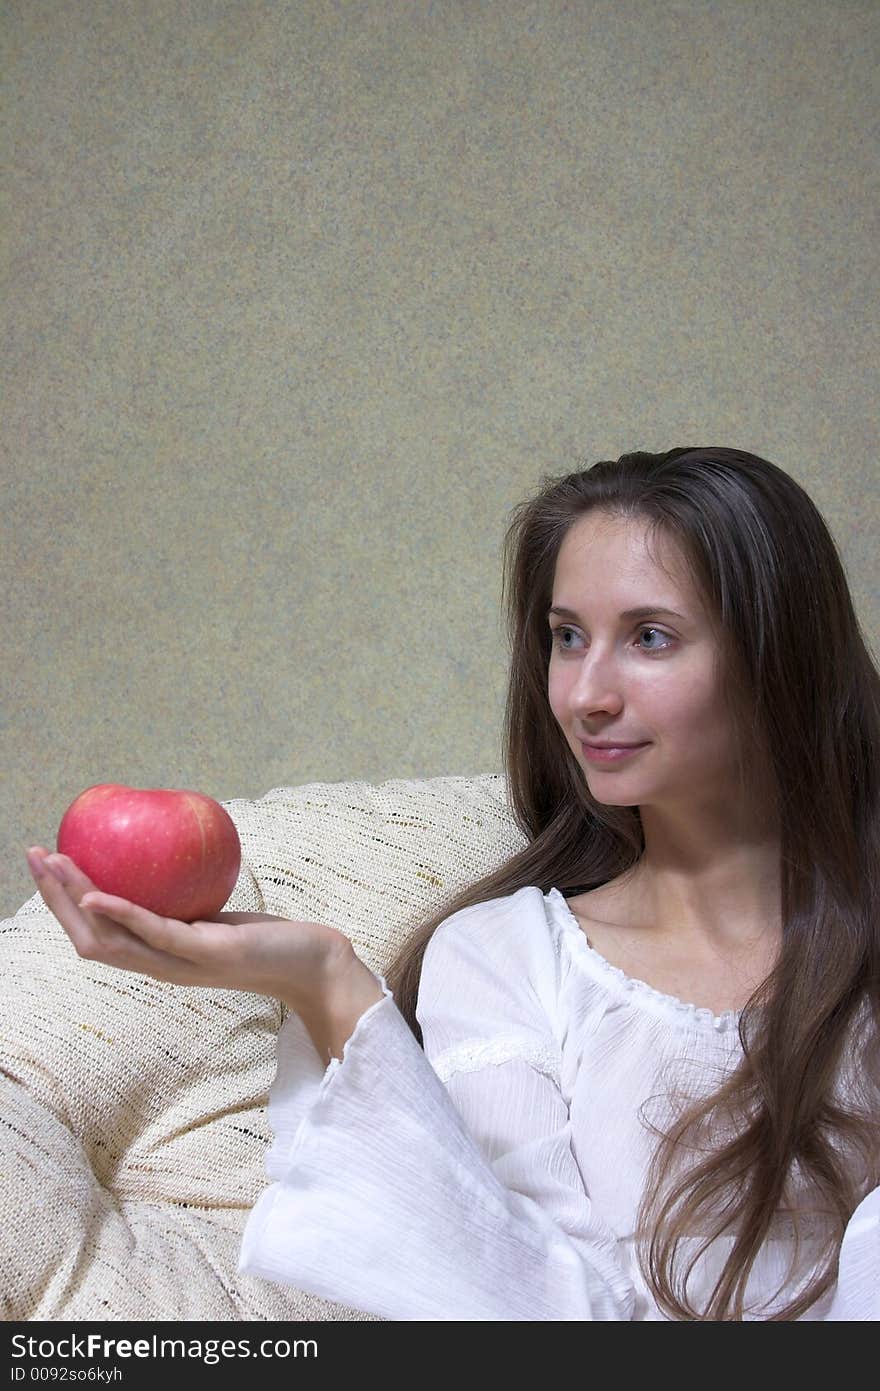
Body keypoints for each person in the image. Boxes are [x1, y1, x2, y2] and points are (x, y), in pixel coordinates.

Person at [25, 446, 880, 1321]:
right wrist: (323, 978)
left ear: (779, 654)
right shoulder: (510, 957)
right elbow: (525, 1304)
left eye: (649, 636)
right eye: (567, 636)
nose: (585, 693)